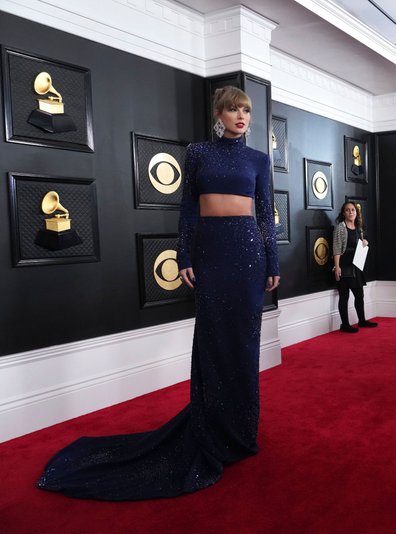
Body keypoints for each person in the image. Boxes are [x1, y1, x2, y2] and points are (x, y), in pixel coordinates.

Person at [36, 86, 281, 500]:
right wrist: (184, 254)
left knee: (243, 343)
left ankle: (240, 433)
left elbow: (265, 214)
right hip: (210, 252)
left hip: (247, 252)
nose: (241, 116)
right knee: (212, 341)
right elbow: (187, 208)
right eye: (233, 109)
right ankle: (211, 428)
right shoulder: (199, 153)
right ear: (218, 113)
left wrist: (272, 262)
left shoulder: (259, 159)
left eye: (246, 110)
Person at [333, 201, 377, 332]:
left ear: (356, 213)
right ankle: (345, 325)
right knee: (344, 297)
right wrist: (337, 267)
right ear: (343, 213)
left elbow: (362, 243)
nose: (350, 212)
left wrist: (365, 242)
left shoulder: (359, 228)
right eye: (347, 210)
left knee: (359, 295)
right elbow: (336, 248)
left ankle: (362, 321)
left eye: (353, 210)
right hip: (344, 266)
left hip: (356, 266)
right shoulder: (340, 228)